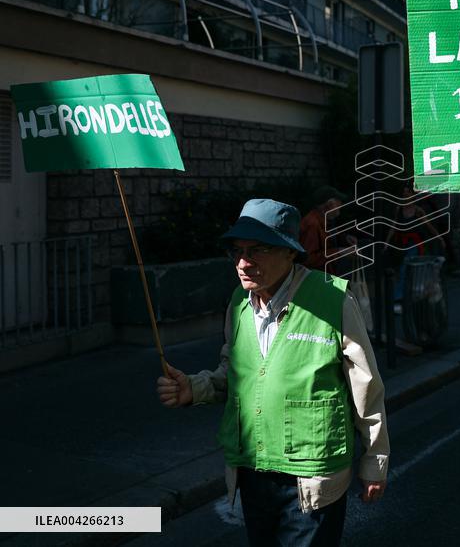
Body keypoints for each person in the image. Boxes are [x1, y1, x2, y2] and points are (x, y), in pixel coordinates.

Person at [156, 199, 388, 546]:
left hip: (312, 477)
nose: (243, 263)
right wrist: (194, 387)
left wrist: (374, 462)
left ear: (290, 253)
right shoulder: (238, 303)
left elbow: (366, 387)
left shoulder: (333, 299)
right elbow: (233, 372)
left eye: (258, 250)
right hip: (253, 471)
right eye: (237, 251)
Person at [299, 186, 357, 275]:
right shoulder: (312, 224)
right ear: (330, 204)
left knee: (344, 287)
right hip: (318, 278)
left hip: (326, 275)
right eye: (338, 202)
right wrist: (340, 252)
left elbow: (328, 234)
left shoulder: (323, 219)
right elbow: (308, 259)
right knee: (344, 287)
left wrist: (345, 238)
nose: (341, 204)